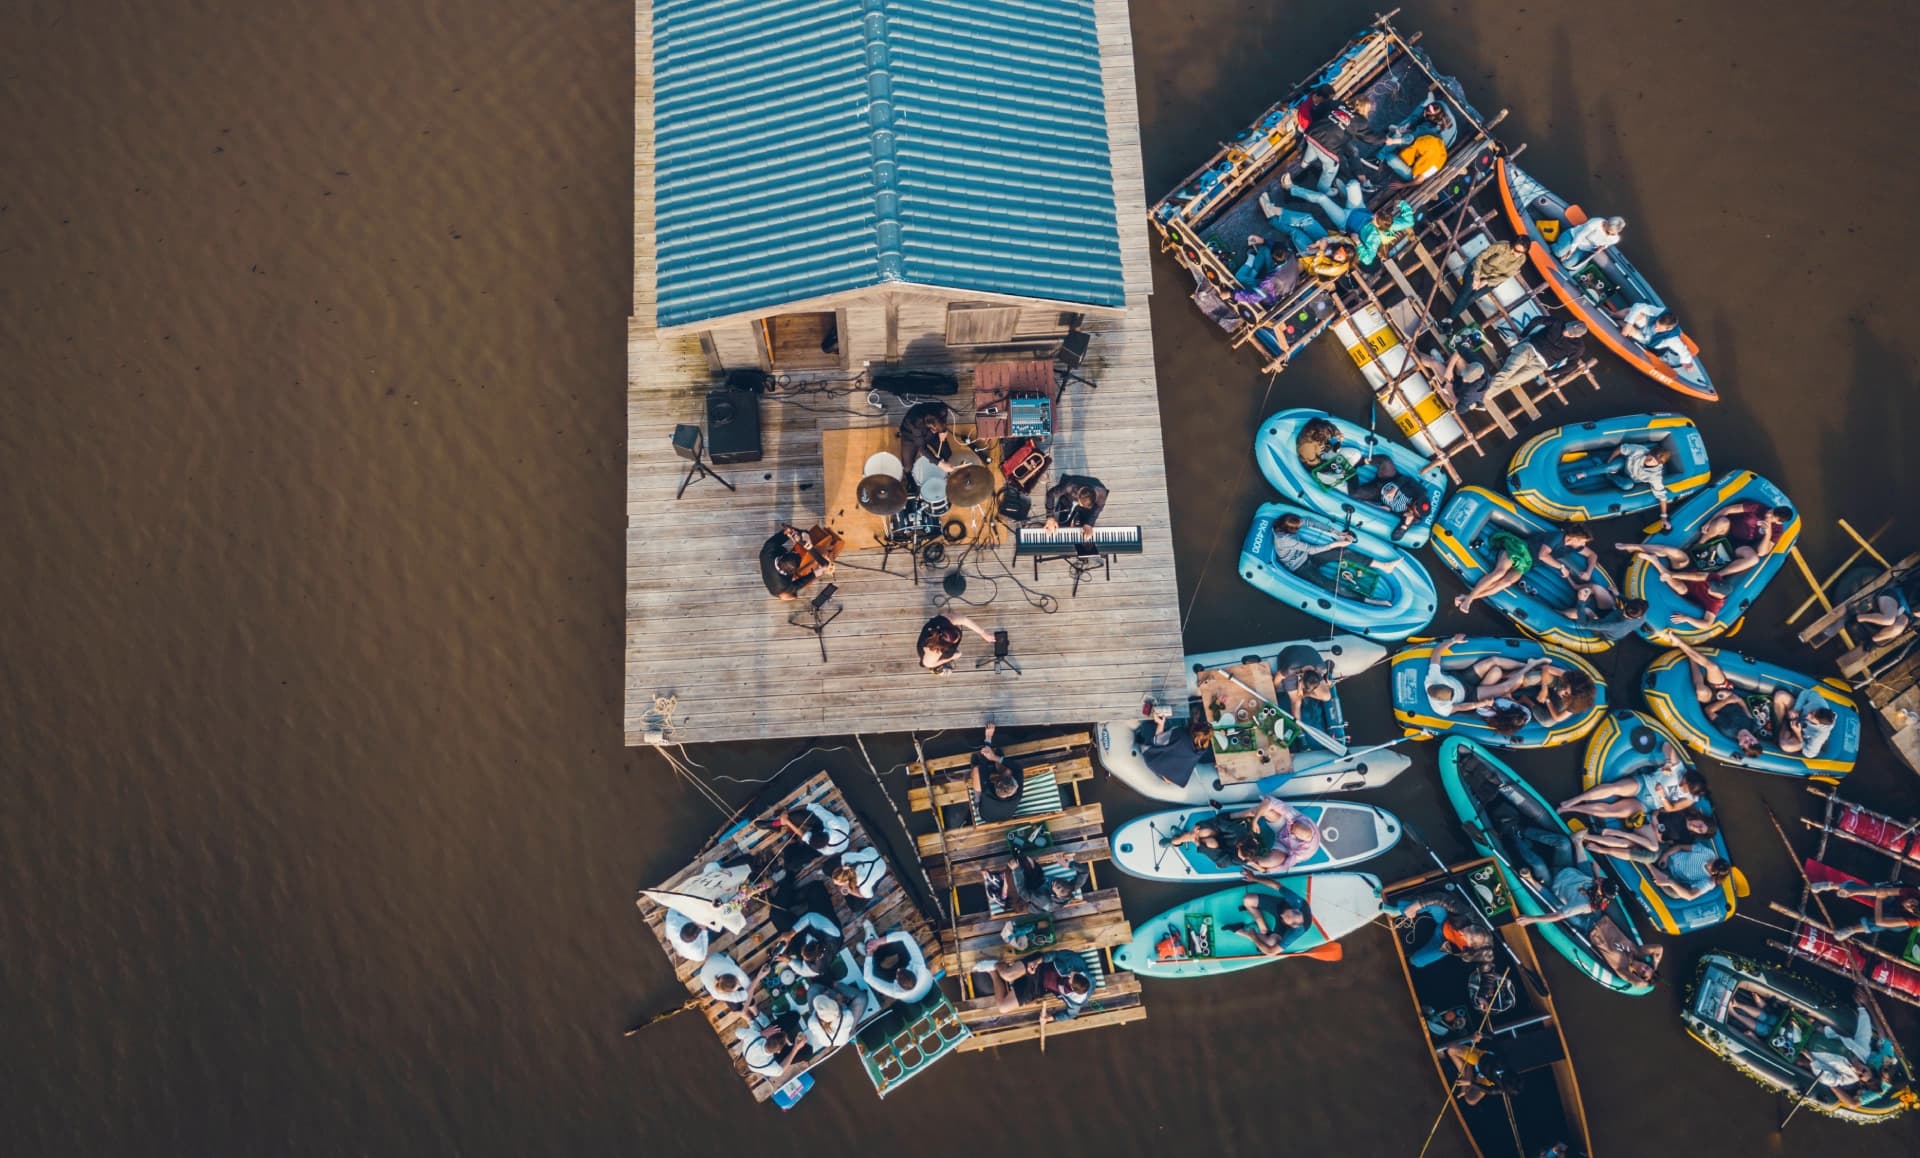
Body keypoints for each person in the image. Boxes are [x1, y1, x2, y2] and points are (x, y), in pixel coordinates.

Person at [1673, 639, 1768, 758]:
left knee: (1701, 691)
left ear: (1740, 745)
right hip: (1725, 694)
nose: (1747, 738)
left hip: (1711, 700)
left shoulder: (1728, 729)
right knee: (1713, 668)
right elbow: (1743, 704)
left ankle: (1686, 652)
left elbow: (1709, 710)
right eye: (1752, 740)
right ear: (1756, 739)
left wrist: (1727, 701)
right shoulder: (1752, 726)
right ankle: (1685, 646)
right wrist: (1733, 697)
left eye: (1746, 742)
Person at [1454, 525, 1571, 613]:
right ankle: (1469, 599)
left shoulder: (1573, 547)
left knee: (1507, 582)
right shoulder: (1557, 536)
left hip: (1526, 563)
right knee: (1500, 572)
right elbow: (1542, 555)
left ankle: (1469, 597)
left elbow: (1587, 554)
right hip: (1519, 549)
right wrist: (1561, 567)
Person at [1512, 832, 1616, 928]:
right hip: (1566, 868)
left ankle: (1515, 837)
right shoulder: (1597, 884)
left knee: (1538, 864)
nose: (1601, 878)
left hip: (1552, 881)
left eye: (1602, 881)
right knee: (1564, 843)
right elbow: (1585, 867)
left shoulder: (1581, 905)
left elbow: (1557, 915)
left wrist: (1531, 919)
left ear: (1599, 890)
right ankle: (1524, 831)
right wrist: (1578, 844)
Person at [1557, 755, 1705, 821]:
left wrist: (1662, 796)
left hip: (1648, 804)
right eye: (1683, 780)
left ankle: (1572, 809)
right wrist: (1667, 763)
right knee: (1615, 788)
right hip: (1644, 784)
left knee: (1611, 812)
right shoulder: (1679, 768)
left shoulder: (1690, 798)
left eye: (1684, 785)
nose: (1681, 783)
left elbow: (1670, 808)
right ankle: (1573, 800)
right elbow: (1667, 746)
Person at [1568, 442, 1674, 529]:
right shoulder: (1640, 450)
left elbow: (1662, 496)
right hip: (1623, 464)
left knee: (1628, 486)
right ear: (1649, 453)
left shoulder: (1655, 476)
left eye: (1655, 461)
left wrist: (1664, 517)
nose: (1650, 461)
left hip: (1628, 478)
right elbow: (1620, 448)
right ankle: (1580, 475)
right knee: (1611, 467)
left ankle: (1607, 473)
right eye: (1651, 457)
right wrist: (1609, 462)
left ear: (1659, 464)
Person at [1483, 318, 1588, 401]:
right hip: (1529, 349)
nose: (1565, 332)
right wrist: (1524, 334)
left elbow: (1572, 365)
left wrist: (1550, 373)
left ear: (1577, 336)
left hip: (1540, 365)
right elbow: (1537, 320)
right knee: (1507, 372)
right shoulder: (1558, 322)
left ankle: (1485, 395)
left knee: (1513, 381)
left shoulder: (1578, 347)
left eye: (1570, 333)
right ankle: (1481, 396)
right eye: (1567, 328)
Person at [975, 949, 1095, 1018]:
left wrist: (1051, 1018)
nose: (1070, 974)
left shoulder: (1076, 1001)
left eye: (1070, 978)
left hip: (1038, 987)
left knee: (1003, 1007)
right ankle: (997, 964)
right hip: (1040, 966)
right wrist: (1038, 961)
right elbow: (1055, 954)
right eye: (1073, 973)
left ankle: (992, 972)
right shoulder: (1077, 962)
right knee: (1007, 975)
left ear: (1072, 989)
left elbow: (1071, 1014)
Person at [1385, 892, 1494, 968]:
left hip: (1444, 942)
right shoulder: (1469, 916)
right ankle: (1397, 910)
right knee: (1434, 905)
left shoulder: (1481, 953)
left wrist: (1484, 991)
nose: (1461, 931)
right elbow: (1441, 898)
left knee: (1417, 962)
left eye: (1463, 935)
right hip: (1445, 919)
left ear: (1470, 946)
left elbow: (1487, 970)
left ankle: (1408, 958)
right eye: (1467, 928)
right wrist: (1415, 906)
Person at [1347, 456, 1430, 541]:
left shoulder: (1409, 519)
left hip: (1379, 494)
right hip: (1390, 479)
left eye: (1416, 505)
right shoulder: (1421, 492)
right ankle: (1360, 462)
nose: (1416, 502)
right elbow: (1407, 479)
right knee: (1385, 461)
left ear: (1417, 513)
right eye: (1418, 502)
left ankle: (1350, 471)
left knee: (1354, 493)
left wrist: (1405, 525)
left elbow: (1395, 537)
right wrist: (1395, 488)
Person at [1809, 881, 1920, 941]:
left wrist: (1879, 899)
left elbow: (1880, 921)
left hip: (1895, 913)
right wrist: (1853, 893)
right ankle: (1832, 885)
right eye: (1913, 901)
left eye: (1911, 907)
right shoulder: (1913, 892)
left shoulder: (1916, 920)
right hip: (1891, 896)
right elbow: (1883, 891)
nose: (1908, 903)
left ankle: (1852, 929)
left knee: (1888, 926)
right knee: (1872, 891)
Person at [1450, 238, 1530, 321]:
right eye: (1513, 247)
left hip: (1491, 280)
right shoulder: (1501, 246)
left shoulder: (1521, 260)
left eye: (1518, 251)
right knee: (1466, 292)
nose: (1513, 251)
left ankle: (1449, 319)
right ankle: (1448, 320)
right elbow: (1480, 257)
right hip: (1478, 269)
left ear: (1524, 252)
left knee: (1472, 298)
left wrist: (1487, 281)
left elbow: (1505, 276)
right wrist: (1476, 277)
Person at [1136, 707, 1214, 789]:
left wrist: (1160, 723)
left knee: (1146, 727)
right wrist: (1195, 720)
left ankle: (1139, 735)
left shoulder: (1180, 733)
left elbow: (1157, 741)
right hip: (1172, 778)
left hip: (1154, 762)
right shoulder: (1203, 748)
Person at [762, 802, 853, 868]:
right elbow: (812, 806)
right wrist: (786, 813)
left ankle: (782, 826)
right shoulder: (833, 823)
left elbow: (803, 835)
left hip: (837, 843)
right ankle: (777, 824)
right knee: (795, 817)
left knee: (798, 859)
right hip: (839, 825)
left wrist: (788, 823)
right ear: (821, 832)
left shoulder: (827, 851)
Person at [1229, 889, 1312, 957]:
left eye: (1286, 918)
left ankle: (1239, 930)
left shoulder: (1296, 932)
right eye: (1287, 914)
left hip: (1283, 927)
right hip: (1278, 906)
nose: (1282, 915)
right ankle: (1263, 929)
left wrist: (1254, 937)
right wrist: (1254, 878)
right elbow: (1277, 885)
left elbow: (1271, 952)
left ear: (1292, 926)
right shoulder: (1298, 903)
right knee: (1248, 900)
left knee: (1271, 943)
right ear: (1295, 909)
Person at [861, 925, 933, 1003]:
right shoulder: (920, 967)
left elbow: (868, 977)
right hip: (918, 973)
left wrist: (869, 954)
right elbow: (905, 936)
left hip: (894, 980)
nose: (898, 969)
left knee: (874, 973)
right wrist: (878, 942)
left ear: (899, 985)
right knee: (900, 943)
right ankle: (875, 943)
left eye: (898, 974)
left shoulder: (896, 992)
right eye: (902, 970)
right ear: (913, 972)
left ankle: (870, 951)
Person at [970, 722, 1025, 823]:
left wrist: (988, 737)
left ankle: (976, 799)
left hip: (985, 815)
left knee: (977, 771)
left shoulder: (987, 792)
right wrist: (994, 757)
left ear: (995, 781)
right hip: (1006, 815)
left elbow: (983, 767)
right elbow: (1017, 768)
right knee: (1008, 770)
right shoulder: (1017, 793)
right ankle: (998, 761)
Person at [766, 908, 841, 981]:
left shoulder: (813, 970)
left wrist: (787, 959)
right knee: (776, 913)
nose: (801, 955)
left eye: (803, 956)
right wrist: (791, 933)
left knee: (775, 915)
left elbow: (800, 969)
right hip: (817, 921)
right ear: (810, 943)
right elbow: (810, 916)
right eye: (803, 953)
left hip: (799, 940)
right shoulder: (833, 935)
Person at [1646, 840, 1732, 901]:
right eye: (1715, 860)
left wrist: (1670, 883)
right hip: (1669, 856)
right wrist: (1666, 855)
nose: (1712, 860)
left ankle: (1649, 866)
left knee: (1675, 894)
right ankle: (1648, 862)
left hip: (1671, 875)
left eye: (1712, 864)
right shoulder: (1709, 853)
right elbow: (1680, 847)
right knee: (1651, 856)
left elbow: (1690, 896)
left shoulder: (1709, 882)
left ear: (1713, 872)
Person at [1620, 304, 1696, 370]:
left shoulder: (1672, 339)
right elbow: (1638, 306)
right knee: (1630, 311)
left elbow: (1683, 351)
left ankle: (1620, 324)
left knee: (1627, 328)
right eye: (1656, 325)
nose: (1656, 328)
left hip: (1649, 339)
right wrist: (1629, 324)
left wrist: (1687, 363)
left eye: (1660, 328)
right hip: (1647, 326)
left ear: (1668, 329)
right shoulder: (1659, 312)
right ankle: (1613, 315)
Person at [759, 524, 824, 600]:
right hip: (776, 589)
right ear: (791, 573)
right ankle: (782, 597)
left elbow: (782, 535)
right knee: (792, 597)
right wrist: (816, 573)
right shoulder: (783, 586)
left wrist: (790, 533)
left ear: (782, 556)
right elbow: (798, 584)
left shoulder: (767, 550)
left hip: (769, 565)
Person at [737, 1015, 811, 1080]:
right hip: (773, 1052)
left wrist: (762, 1033)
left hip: (766, 1036)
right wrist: (795, 1048)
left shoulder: (764, 1069)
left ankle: (788, 1038)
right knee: (808, 1050)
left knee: (794, 1016)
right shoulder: (749, 1040)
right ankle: (790, 1040)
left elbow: (780, 1071)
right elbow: (781, 1069)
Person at [1442, 1036, 1510, 1107]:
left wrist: (1469, 1084)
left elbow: (1489, 1090)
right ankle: (1467, 1068)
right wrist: (1481, 1037)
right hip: (1482, 1059)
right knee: (1451, 1050)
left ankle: (1468, 1071)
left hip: (1486, 1078)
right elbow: (1495, 1041)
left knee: (1471, 1100)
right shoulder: (1507, 1062)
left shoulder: (1501, 1088)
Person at [897, 400, 956, 481]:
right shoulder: (916, 423)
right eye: (935, 430)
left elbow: (943, 418)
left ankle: (948, 472)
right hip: (910, 436)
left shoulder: (942, 409)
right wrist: (940, 464)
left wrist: (943, 431)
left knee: (947, 453)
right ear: (929, 425)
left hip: (930, 434)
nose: (935, 432)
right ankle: (909, 479)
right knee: (907, 467)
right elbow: (922, 448)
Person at [1771, 686, 1838, 758]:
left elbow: (1810, 754)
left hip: (1801, 736)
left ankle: (1781, 728)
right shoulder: (1820, 703)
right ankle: (1779, 724)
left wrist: (1798, 733)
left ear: (1818, 723)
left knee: (1786, 746)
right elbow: (1807, 693)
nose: (1808, 714)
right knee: (1780, 695)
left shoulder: (1819, 736)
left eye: (1812, 717)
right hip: (1798, 714)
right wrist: (1796, 709)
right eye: (1812, 712)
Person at [917, 613, 995, 674]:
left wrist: (983, 633)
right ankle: (936, 670)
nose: (957, 640)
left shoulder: (944, 620)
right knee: (941, 668)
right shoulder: (933, 651)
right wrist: (952, 657)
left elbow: (964, 620)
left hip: (942, 646)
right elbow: (928, 664)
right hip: (930, 657)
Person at [1042, 475, 1109, 541]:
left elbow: (1098, 508)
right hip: (1068, 497)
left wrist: (1089, 524)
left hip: (1086, 502)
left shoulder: (1102, 492)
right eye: (1080, 504)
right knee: (1062, 523)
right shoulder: (1069, 486)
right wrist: (1050, 517)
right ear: (1078, 495)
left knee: (1085, 523)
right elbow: (1050, 494)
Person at [1561, 594, 1649, 641]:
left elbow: (1583, 624)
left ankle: (1558, 613)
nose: (1623, 613)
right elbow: (1630, 602)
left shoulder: (1613, 625)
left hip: (1603, 633)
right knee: (1597, 589)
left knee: (1587, 610)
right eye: (1624, 610)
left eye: (1625, 614)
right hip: (1612, 617)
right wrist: (1618, 595)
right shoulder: (1641, 614)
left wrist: (1581, 601)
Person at [1423, 634, 1474, 716]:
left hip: (1461, 679)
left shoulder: (1433, 678)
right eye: (1452, 696)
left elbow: (1437, 651)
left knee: (1492, 662)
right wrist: (1483, 703)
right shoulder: (1440, 708)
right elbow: (1460, 707)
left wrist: (1453, 640)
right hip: (1469, 695)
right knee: (1494, 680)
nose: (1454, 691)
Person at [1552, 215, 1626, 270]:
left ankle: (1575, 259)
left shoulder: (1615, 239)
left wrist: (1602, 247)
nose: (1609, 235)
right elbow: (1579, 236)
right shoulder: (1595, 223)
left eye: (1612, 234)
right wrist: (1570, 252)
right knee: (1559, 253)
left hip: (1584, 249)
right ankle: (1553, 244)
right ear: (1606, 223)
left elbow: (1606, 244)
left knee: (1567, 264)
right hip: (1573, 237)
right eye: (1607, 232)